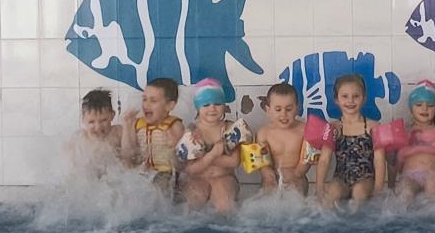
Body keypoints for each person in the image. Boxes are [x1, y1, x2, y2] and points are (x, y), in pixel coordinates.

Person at [315, 74, 386, 209]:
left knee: (359, 193)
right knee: (332, 193)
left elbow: (379, 160)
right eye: (345, 96)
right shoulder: (333, 128)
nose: (350, 101)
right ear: (336, 99)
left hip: (366, 179)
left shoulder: (373, 127)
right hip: (341, 178)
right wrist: (319, 188)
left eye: (356, 96)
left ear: (364, 98)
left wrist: (378, 189)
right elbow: (324, 159)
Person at [180, 79, 243, 213]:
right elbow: (191, 169)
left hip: (224, 177)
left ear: (224, 106)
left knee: (224, 204)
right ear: (198, 107)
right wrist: (213, 154)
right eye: (206, 104)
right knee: (195, 202)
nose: (212, 108)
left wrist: (204, 156)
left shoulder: (230, 128)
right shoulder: (191, 132)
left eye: (217, 103)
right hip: (197, 178)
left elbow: (234, 162)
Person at [121, 78, 184, 195]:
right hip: (143, 171)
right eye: (144, 99)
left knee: (157, 188)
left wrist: (173, 147)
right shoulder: (137, 125)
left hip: (166, 174)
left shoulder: (174, 126)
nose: (146, 105)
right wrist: (126, 127)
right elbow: (128, 156)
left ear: (169, 105)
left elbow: (182, 165)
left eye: (153, 101)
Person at [395, 80, 435, 201]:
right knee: (405, 195)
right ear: (411, 108)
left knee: (434, 196)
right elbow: (392, 159)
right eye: (418, 104)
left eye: (430, 105)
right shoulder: (404, 130)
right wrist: (391, 183)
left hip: (433, 174)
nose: (424, 109)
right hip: (409, 175)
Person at [256, 82, 309, 195]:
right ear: (268, 110)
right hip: (272, 177)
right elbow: (262, 162)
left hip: (297, 176)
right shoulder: (264, 133)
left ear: (297, 108)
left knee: (297, 189)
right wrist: (268, 174)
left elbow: (307, 159)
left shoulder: (304, 130)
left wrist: (297, 174)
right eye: (278, 109)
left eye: (289, 109)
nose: (283, 114)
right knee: (268, 188)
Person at [79, 89, 122, 158]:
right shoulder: (80, 138)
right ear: (83, 120)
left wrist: (129, 125)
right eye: (91, 122)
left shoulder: (118, 132)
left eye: (103, 120)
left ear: (112, 115)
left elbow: (130, 156)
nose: (98, 127)